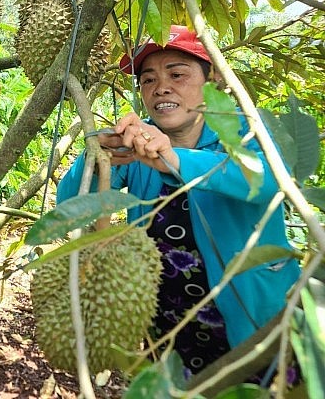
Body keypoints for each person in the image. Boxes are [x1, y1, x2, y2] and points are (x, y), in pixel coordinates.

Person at [56, 25, 301, 378]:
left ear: (212, 80)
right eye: (148, 80)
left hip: (255, 331)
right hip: (170, 337)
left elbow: (267, 181)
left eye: (177, 74)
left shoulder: (245, 130)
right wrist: (97, 159)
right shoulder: (137, 143)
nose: (162, 87)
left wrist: (175, 159)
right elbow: (69, 210)